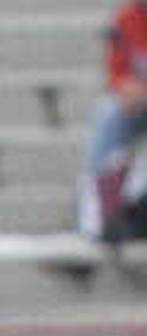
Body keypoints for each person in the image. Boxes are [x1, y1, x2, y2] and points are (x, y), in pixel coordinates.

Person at [82, 3, 147, 243]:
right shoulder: (129, 16)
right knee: (108, 114)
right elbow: (116, 72)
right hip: (140, 105)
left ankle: (136, 208)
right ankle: (98, 221)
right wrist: (126, 87)